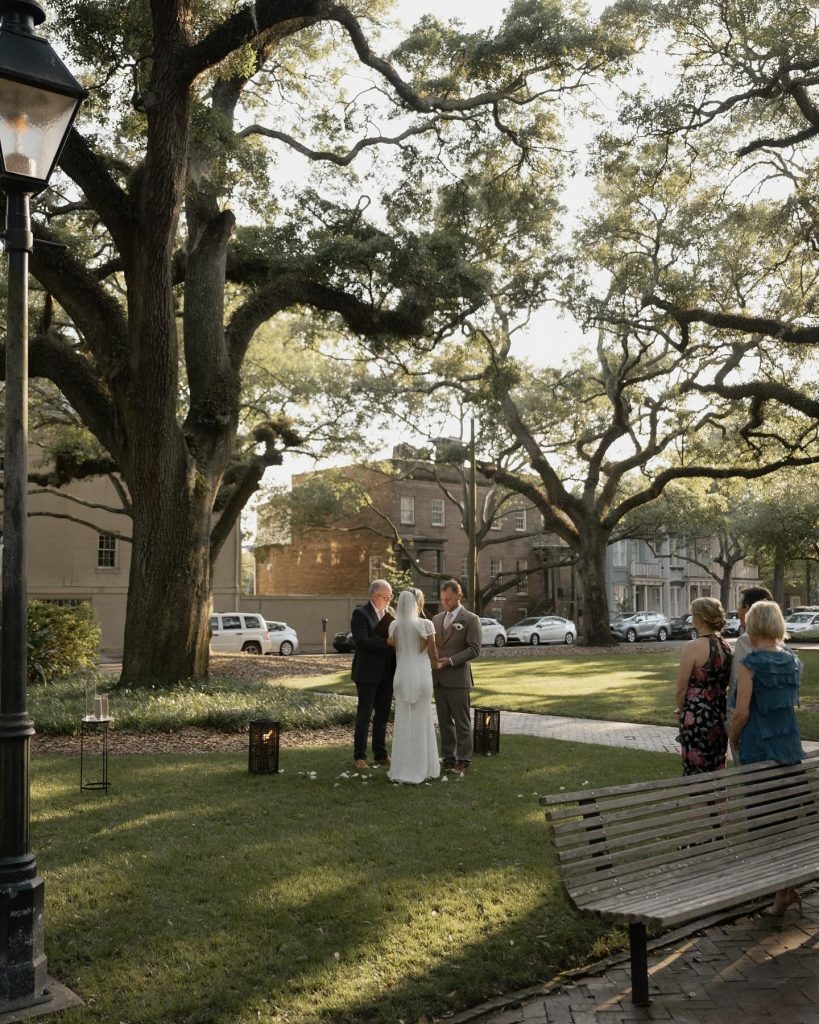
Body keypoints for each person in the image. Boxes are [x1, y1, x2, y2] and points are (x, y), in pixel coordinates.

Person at [729, 600, 804, 916]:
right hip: (789, 749)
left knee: (764, 825)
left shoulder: (751, 663)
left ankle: (779, 893)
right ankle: (784, 891)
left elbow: (742, 711)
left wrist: (732, 738)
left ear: (753, 624)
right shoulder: (792, 661)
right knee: (786, 821)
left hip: (759, 749)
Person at [386, 589, 440, 784]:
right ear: (418, 603)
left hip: (401, 678)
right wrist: (440, 665)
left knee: (403, 721)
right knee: (422, 720)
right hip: (421, 678)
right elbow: (434, 655)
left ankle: (401, 767)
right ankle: (424, 767)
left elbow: (392, 643)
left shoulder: (393, 626)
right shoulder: (426, 624)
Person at [675, 597, 733, 775]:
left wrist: (681, 710)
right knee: (717, 768)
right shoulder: (726, 646)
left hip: (697, 717)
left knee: (696, 772)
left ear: (699, 618)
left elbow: (681, 689)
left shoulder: (692, 646)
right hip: (718, 712)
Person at [432, 580, 482, 774]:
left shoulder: (471, 619)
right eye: (443, 599)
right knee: (443, 721)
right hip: (438, 678)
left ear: (459, 596)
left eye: (449, 599)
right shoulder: (436, 619)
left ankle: (464, 759)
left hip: (458, 679)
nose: (446, 602)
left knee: (461, 721)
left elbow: (475, 649)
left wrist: (451, 660)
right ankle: (448, 757)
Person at [350, 579, 395, 769]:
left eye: (390, 597)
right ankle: (360, 756)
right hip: (367, 672)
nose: (389, 600)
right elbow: (363, 642)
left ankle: (380, 753)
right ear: (375, 596)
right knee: (365, 714)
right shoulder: (360, 614)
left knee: (383, 715)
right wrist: (387, 643)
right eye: (386, 597)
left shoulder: (390, 613)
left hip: (387, 672)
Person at [726, 586, 773, 764]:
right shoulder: (778, 642)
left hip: (750, 719)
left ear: (748, 609)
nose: (738, 610)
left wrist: (733, 733)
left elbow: (741, 685)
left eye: (740, 605)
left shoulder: (747, 640)